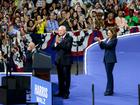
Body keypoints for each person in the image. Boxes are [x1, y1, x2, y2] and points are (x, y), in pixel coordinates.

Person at [52, 25, 73, 99]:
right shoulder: (57, 37)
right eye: (58, 30)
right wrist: (56, 43)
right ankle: (61, 92)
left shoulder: (69, 38)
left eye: (60, 30)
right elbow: (53, 47)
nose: (59, 32)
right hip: (59, 61)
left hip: (66, 61)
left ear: (64, 31)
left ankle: (66, 93)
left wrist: (59, 43)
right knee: (60, 77)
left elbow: (67, 48)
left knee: (66, 78)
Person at [96, 27, 118, 96]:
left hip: (111, 59)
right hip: (106, 59)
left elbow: (108, 46)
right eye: (107, 33)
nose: (108, 34)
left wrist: (101, 41)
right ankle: (110, 90)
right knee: (109, 75)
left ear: (112, 33)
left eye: (109, 33)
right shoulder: (107, 39)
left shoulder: (115, 40)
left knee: (109, 75)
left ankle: (109, 91)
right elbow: (103, 47)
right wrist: (100, 43)